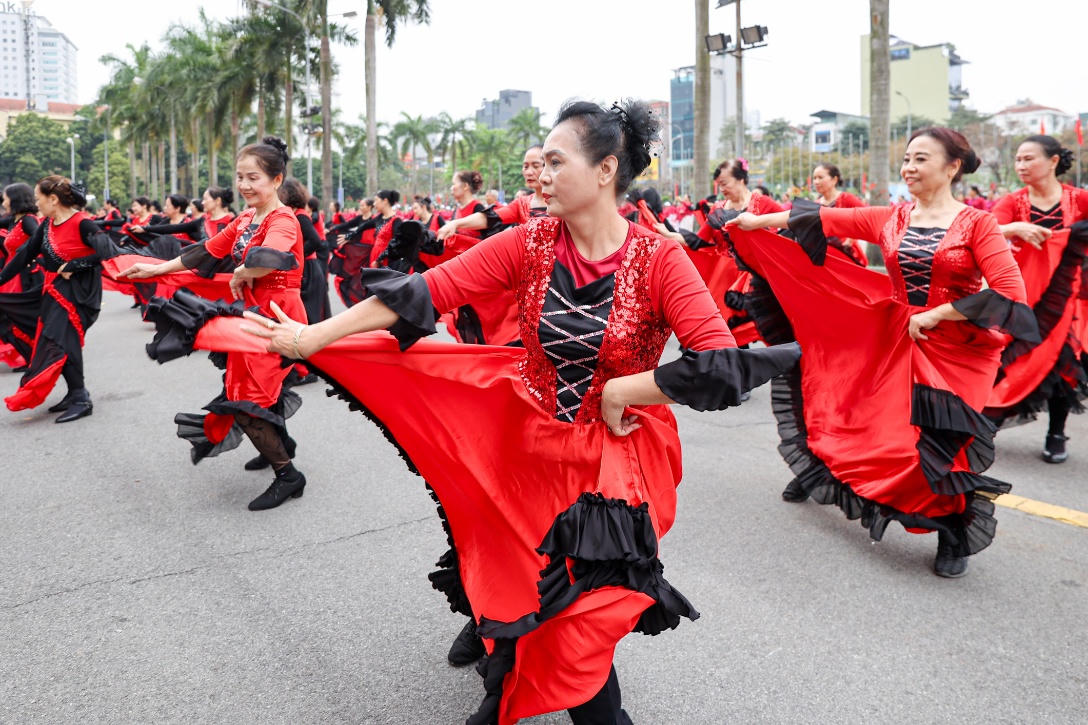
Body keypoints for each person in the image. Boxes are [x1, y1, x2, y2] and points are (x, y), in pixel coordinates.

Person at [232, 99, 798, 724]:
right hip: (527, 446)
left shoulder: (659, 259)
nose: (541, 174)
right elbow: (427, 292)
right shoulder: (529, 242)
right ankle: (509, 670)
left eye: (556, 161)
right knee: (522, 577)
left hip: (613, 459)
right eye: (542, 162)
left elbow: (718, 366)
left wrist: (622, 390)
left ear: (606, 169)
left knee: (584, 606)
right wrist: (313, 339)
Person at [726, 127, 1038, 578]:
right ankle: (827, 471)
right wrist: (757, 223)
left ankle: (952, 530)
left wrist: (939, 314)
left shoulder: (978, 223)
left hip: (959, 350)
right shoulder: (893, 217)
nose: (908, 168)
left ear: (952, 166)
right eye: (907, 159)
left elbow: (1011, 293)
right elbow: (825, 219)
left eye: (921, 159)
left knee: (942, 446)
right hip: (895, 336)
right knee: (862, 421)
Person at [118, 137, 308, 512]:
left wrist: (243, 269)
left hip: (277, 317)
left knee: (246, 401)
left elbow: (273, 257)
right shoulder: (245, 219)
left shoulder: (282, 218)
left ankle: (289, 475)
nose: (244, 185)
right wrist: (155, 269)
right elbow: (203, 252)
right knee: (245, 389)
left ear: (276, 179)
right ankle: (278, 446)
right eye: (240, 177)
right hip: (253, 314)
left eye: (253, 177)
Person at [988, 135, 1088, 463]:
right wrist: (1014, 227)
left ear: (1054, 161)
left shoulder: (1079, 200)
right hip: (1023, 297)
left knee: (1064, 366)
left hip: (1069, 298)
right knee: (1014, 362)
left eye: (1029, 158)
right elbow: (982, 229)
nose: (1021, 166)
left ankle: (1056, 433)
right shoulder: (1014, 203)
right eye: (1018, 159)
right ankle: (987, 421)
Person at [0, 176, 117, 421]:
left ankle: (81, 397)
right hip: (55, 291)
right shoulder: (46, 225)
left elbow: (107, 251)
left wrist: (76, 264)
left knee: (62, 341)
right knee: (55, 340)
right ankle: (75, 393)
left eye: (38, 198)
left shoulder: (82, 223)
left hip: (81, 294)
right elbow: (23, 257)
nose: (36, 203)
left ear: (53, 199)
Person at [0, 182, 42, 369]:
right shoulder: (13, 220)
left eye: (6, 197)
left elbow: (41, 241)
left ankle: (35, 356)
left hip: (24, 275)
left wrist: (29, 256)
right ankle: (31, 355)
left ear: (15, 199)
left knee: (17, 317)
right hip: (11, 274)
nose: (4, 201)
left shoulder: (28, 220)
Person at [811, 163, 868, 266]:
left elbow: (866, 218)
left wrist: (850, 240)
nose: (816, 182)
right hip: (825, 257)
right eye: (814, 178)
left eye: (820, 177)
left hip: (846, 254)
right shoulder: (816, 204)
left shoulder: (847, 199)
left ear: (834, 180)